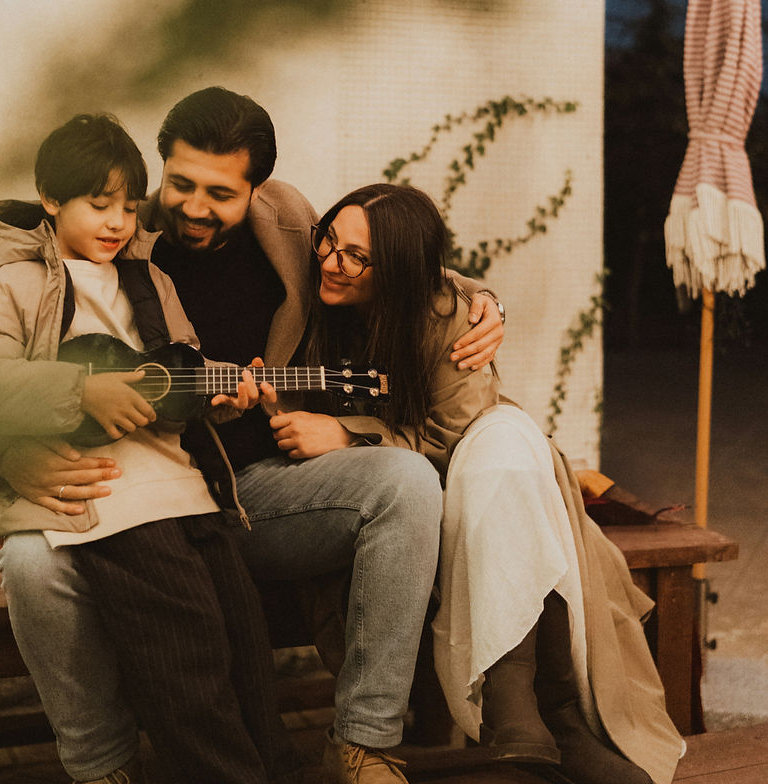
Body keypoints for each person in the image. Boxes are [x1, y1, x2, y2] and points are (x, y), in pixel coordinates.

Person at [0, 88, 507, 784]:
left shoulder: (288, 222)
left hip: (256, 493)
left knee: (407, 480)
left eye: (220, 193)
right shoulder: (104, 225)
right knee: (28, 564)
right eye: (180, 184)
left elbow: (387, 255)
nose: (195, 207)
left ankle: (364, 741)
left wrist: (480, 300)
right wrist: (9, 455)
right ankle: (100, 767)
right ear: (159, 167)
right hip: (123, 486)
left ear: (257, 189)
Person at [275, 182, 684, 784]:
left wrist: (348, 434)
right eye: (329, 240)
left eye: (357, 257)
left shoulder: (442, 317)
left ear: (401, 272)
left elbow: (454, 432)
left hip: (471, 487)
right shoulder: (308, 299)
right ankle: (541, 716)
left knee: (502, 439)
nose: (332, 262)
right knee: (504, 449)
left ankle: (533, 713)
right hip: (384, 507)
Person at [0, 113, 303, 784]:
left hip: (188, 495)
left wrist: (211, 400)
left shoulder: (152, 283)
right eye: (98, 204)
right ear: (51, 199)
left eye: (129, 207)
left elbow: (181, 373)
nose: (116, 222)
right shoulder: (13, 287)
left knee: (244, 642)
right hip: (111, 500)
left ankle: (277, 770)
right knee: (186, 657)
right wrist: (79, 393)